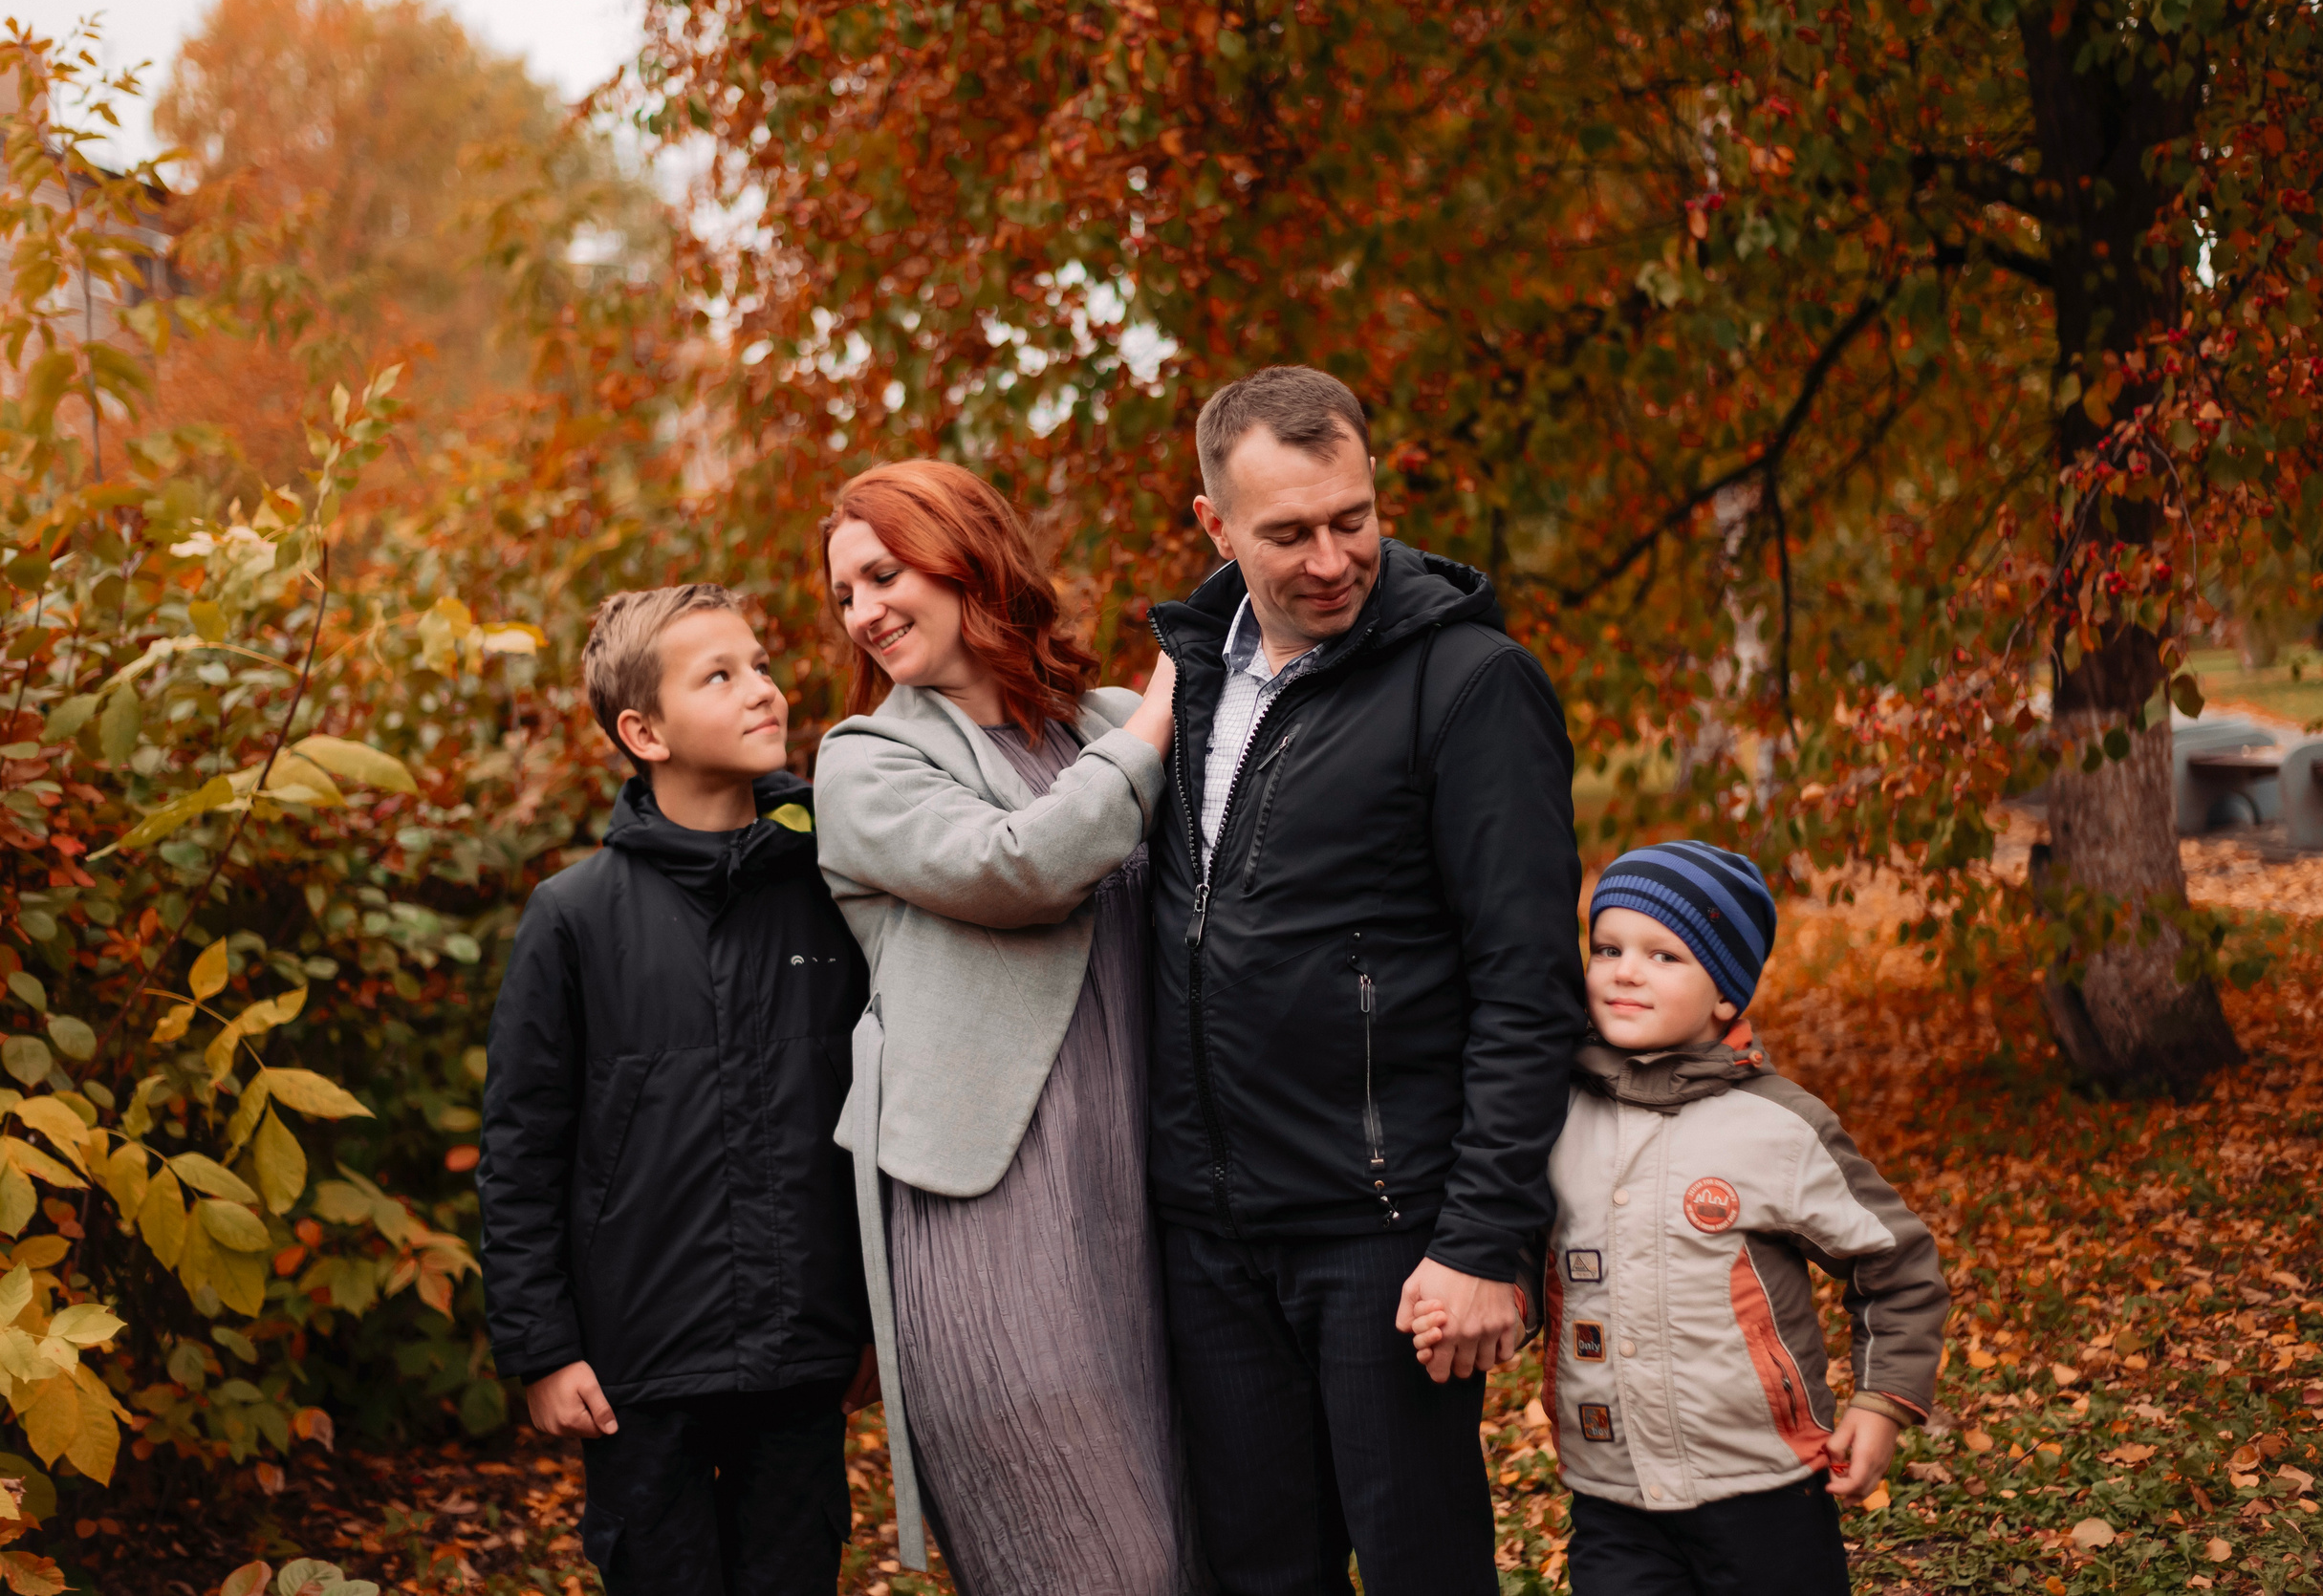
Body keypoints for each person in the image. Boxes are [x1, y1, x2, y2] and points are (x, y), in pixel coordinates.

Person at [1144, 365, 1587, 1594]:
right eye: (1287, 533)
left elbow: (1528, 978)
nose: (1330, 558)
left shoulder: (1470, 682)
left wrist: (1486, 1234)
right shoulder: (1181, 687)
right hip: (1209, 1232)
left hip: (1385, 1235)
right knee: (1259, 1571)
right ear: (1214, 526)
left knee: (1417, 1569)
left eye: (1353, 518)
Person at [811, 460, 1202, 1593]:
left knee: (1193, 1548)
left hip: (1149, 1188)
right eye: (845, 592)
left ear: (967, 553)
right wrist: (1159, 718)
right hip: (990, 1212)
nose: (865, 610)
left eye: (884, 572)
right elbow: (1017, 866)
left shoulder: (1110, 722)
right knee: (1091, 1562)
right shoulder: (865, 760)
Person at [478, 584, 875, 1596]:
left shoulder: (836, 889)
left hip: (801, 1352)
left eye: (760, 664)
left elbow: (875, 1116)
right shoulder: (572, 917)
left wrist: (870, 1320)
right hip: (637, 1366)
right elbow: (520, 1147)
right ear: (641, 729)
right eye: (721, 674)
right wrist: (543, 1350)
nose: (765, 691)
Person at [1420, 841, 1945, 1595]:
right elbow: (1533, 1250)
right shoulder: (1552, 1113)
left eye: (1664, 955)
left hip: (1766, 1486)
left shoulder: (1780, 1127)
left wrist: (1881, 1401)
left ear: (1727, 993)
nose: (1625, 969)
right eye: (1607, 947)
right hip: (1612, 1493)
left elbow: (1897, 1266)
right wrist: (1502, 1300)